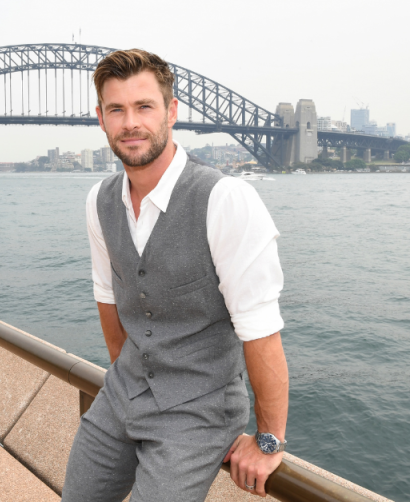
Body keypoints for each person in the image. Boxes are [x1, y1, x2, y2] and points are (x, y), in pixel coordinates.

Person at [61, 49, 289, 501]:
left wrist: (268, 441)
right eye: (116, 110)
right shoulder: (99, 201)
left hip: (197, 412)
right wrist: (131, 379)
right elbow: (108, 299)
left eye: (144, 106)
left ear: (172, 111)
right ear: (101, 119)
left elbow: (261, 333)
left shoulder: (226, 200)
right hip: (123, 392)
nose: (131, 123)